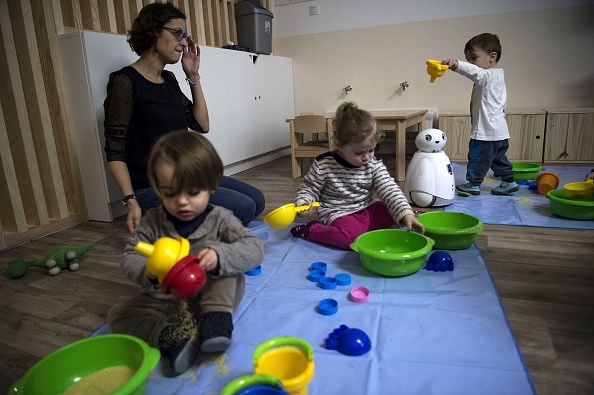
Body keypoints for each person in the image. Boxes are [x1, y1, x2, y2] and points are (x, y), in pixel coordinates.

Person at [107, 130, 264, 375]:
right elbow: (130, 256)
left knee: (225, 268)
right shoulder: (152, 222)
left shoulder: (220, 218)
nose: (182, 202)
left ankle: (216, 323)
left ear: (212, 184)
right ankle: (171, 339)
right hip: (171, 301)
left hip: (215, 297)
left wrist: (220, 255)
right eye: (170, 192)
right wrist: (147, 271)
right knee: (118, 315)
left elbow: (255, 248)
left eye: (192, 192)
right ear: (158, 188)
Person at [103, 2, 264, 234]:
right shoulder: (125, 82)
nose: (183, 42)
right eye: (177, 34)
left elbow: (201, 125)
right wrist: (131, 200)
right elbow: (114, 151)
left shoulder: (168, 80)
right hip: (154, 188)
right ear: (153, 32)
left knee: (256, 200)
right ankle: (162, 220)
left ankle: (183, 221)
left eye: (185, 35)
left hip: (189, 176)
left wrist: (193, 76)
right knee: (245, 209)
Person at [289, 102, 425, 250]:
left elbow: (389, 189)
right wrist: (303, 204)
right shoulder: (324, 164)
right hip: (339, 213)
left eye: (371, 150)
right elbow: (309, 188)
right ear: (338, 144)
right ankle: (311, 230)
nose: (367, 157)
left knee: (402, 214)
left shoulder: (373, 164)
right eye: (359, 152)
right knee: (349, 239)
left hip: (368, 208)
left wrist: (405, 213)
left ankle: (408, 217)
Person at [442, 33, 518, 196]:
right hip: (499, 131)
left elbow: (475, 72)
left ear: (492, 57)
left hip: (486, 131)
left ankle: (474, 184)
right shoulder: (497, 77)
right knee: (498, 158)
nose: (471, 63)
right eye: (467, 59)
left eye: (473, 58)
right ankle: (509, 181)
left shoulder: (488, 76)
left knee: (477, 158)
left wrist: (457, 65)